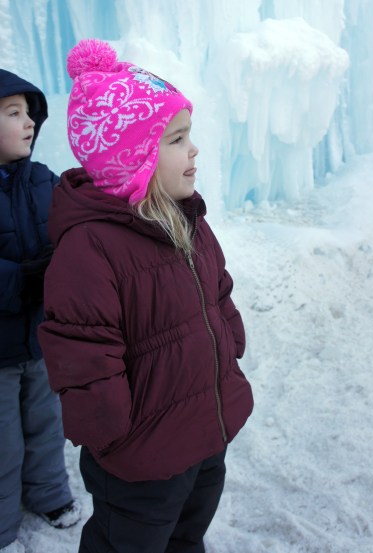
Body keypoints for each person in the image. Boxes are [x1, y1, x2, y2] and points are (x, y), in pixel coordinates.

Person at [37, 39, 254, 552]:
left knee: (187, 534)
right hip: (142, 458)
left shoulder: (188, 220)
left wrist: (231, 345)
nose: (193, 149)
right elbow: (82, 350)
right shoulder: (91, 246)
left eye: (189, 135)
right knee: (129, 542)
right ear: (131, 157)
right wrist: (113, 434)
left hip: (204, 432)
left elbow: (217, 292)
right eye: (176, 139)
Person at [0, 69, 80, 553]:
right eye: (13, 113)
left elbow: (70, 231)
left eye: (30, 112)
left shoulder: (43, 180)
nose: (29, 122)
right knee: (3, 440)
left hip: (40, 337)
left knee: (47, 422)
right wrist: (26, 278)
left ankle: (49, 495)